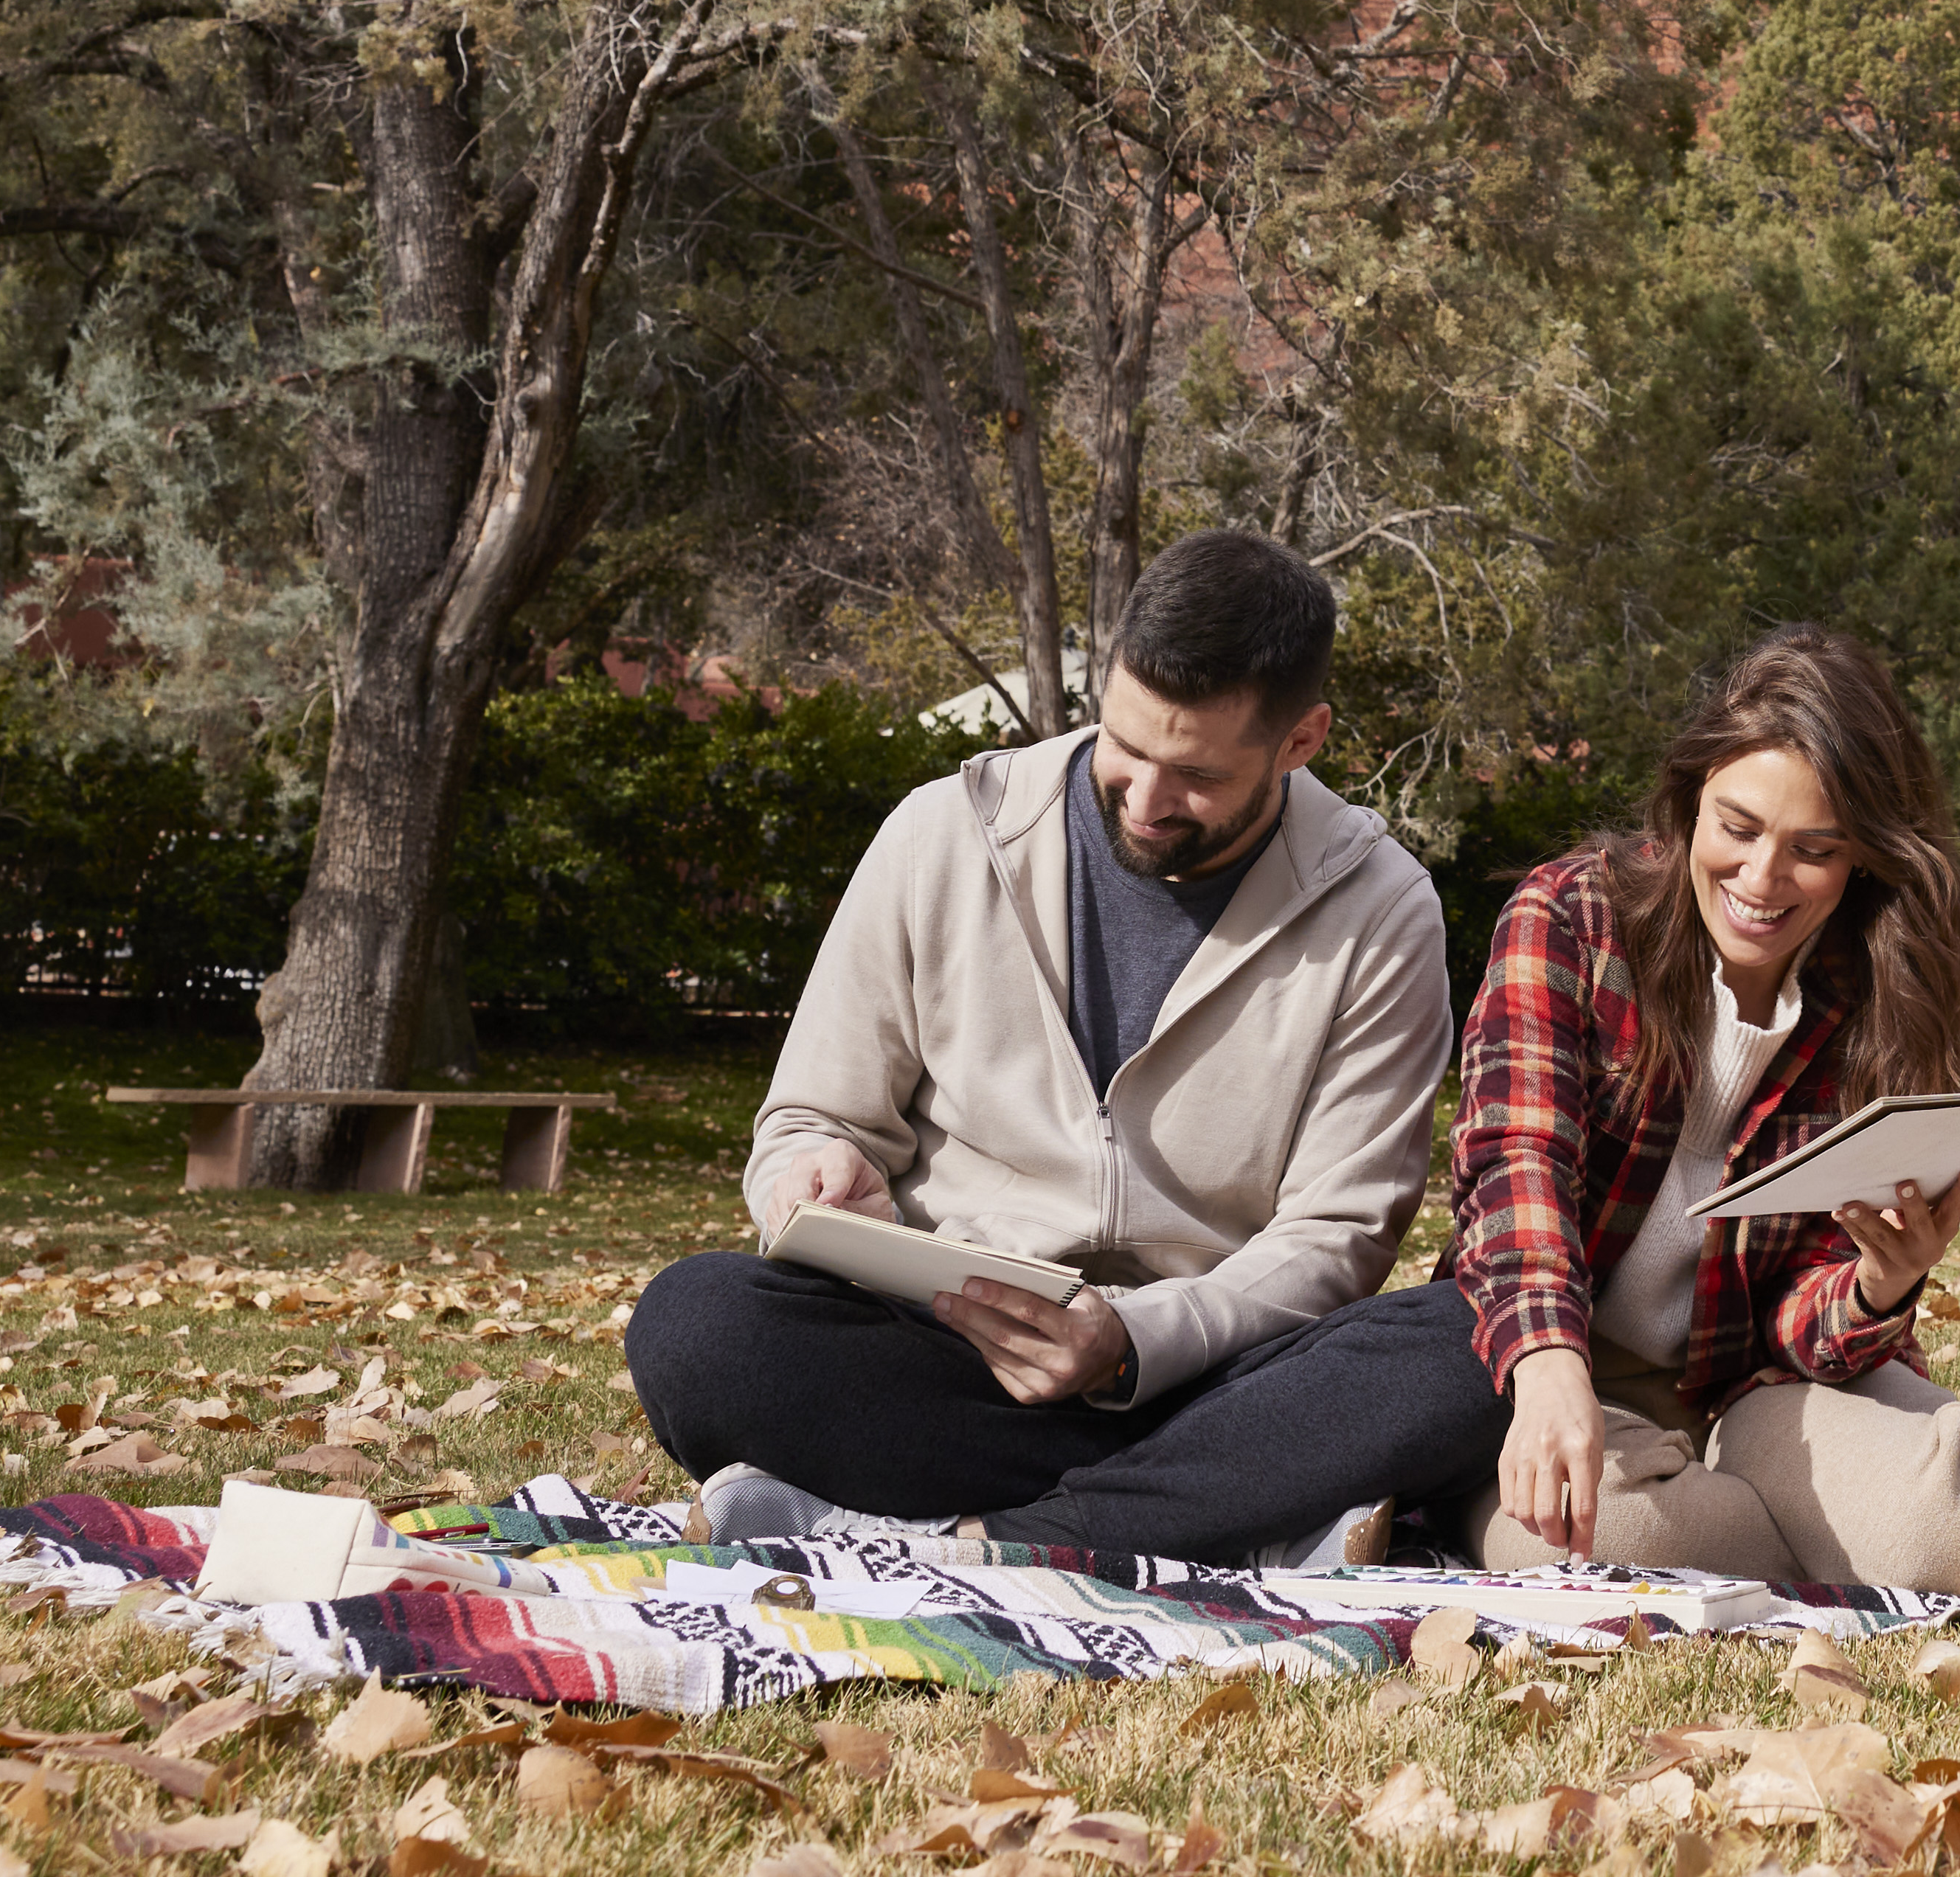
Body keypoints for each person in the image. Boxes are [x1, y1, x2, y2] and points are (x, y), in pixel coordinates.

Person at [623, 530, 1489, 1568]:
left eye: (1197, 776)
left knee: (1478, 1340)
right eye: (1124, 743)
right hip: (949, 1359)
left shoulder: (1382, 909)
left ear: (1301, 740)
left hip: (1214, 1374)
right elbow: (811, 1117)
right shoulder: (941, 834)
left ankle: (988, 1536)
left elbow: (1336, 1237)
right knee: (697, 1325)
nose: (1145, 799)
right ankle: (1207, 1518)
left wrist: (1131, 1342)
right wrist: (809, 1175)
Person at [1426, 625, 1960, 1587]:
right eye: (1737, 828)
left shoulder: (1876, 993)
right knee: (1569, 1548)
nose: (1760, 879)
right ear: (1689, 801)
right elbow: (1514, 1161)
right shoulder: (1572, 918)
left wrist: (1880, 1287)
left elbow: (1809, 1330)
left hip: (1766, 1391)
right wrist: (1547, 1367)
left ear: (1863, 860)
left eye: (1813, 850)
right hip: (1562, 1371)